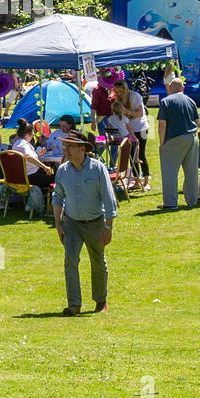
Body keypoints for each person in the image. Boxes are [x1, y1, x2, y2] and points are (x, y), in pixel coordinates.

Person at [51, 131, 117, 316]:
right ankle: (74, 304)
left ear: (82, 149)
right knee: (70, 259)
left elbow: (109, 199)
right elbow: (57, 198)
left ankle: (100, 301)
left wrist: (108, 227)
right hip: (71, 223)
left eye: (70, 147)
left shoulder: (97, 168)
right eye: (66, 146)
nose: (66, 150)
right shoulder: (63, 170)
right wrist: (58, 224)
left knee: (98, 262)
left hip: (96, 222)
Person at [155, 78, 200, 210]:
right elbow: (198, 122)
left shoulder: (166, 101)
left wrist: (161, 143)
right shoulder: (190, 100)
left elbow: (162, 124)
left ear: (170, 88)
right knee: (191, 172)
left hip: (173, 139)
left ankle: (170, 203)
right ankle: (192, 201)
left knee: (169, 172)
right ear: (183, 88)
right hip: (191, 137)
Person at [9, 118, 56, 216]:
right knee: (57, 179)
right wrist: (44, 166)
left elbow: (26, 159)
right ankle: (51, 207)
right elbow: (28, 157)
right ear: (29, 135)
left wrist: (38, 156)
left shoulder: (16, 144)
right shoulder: (24, 145)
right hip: (32, 176)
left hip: (24, 175)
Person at [112, 80, 151, 192]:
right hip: (128, 131)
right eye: (117, 91)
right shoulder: (118, 100)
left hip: (141, 128)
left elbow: (140, 114)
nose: (119, 93)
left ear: (126, 89)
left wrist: (126, 111)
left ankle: (147, 182)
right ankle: (137, 182)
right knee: (131, 156)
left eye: (121, 91)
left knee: (141, 155)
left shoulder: (135, 96)